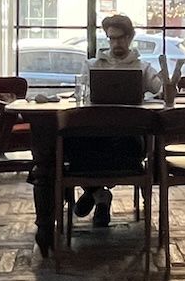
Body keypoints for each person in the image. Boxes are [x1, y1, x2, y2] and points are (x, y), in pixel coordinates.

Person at [63, 14, 160, 225]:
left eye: (121, 38)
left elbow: (161, 90)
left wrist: (169, 83)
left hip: (128, 138)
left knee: (86, 150)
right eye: (111, 38)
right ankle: (101, 196)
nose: (116, 43)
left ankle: (94, 193)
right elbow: (80, 98)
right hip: (93, 135)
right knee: (70, 145)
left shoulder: (142, 68)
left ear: (130, 38)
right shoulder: (91, 65)